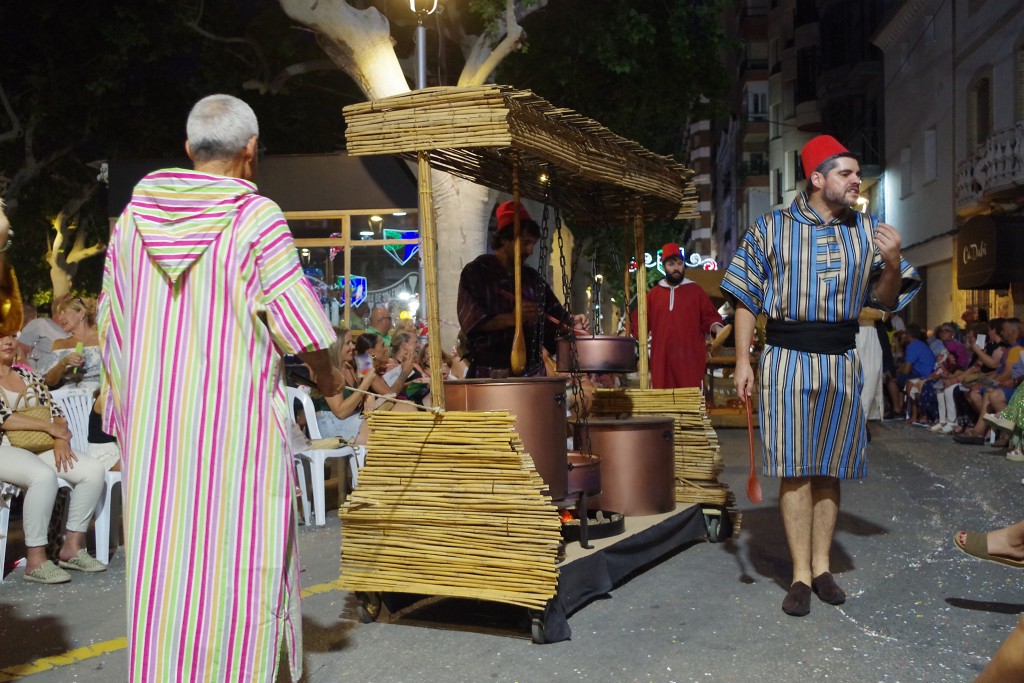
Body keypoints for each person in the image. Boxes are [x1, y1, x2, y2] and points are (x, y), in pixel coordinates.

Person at [97, 94, 340, 682]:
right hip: (238, 437)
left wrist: (125, 418)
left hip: (157, 440)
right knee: (242, 563)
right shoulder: (255, 217)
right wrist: (330, 379)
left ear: (188, 149)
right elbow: (303, 327)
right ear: (251, 150)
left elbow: (111, 326)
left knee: (167, 570)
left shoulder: (131, 224)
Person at [722, 134, 920, 617]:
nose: (856, 181)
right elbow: (745, 297)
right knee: (795, 468)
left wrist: (893, 262)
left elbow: (887, 300)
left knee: (831, 468)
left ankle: (822, 567)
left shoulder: (867, 230)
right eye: (845, 173)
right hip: (786, 357)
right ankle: (798, 575)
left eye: (856, 173)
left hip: (842, 359)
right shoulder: (771, 227)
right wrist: (743, 360)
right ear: (816, 178)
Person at [0, 328, 107, 583]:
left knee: (93, 470)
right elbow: (5, 418)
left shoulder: (25, 373)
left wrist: (60, 439)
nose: (7, 341)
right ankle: (35, 559)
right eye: (0, 338)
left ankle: (72, 547)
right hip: (5, 448)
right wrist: (50, 429)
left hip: (39, 445)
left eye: (10, 337)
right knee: (42, 475)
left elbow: (54, 409)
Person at [457, 200, 588, 378]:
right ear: (505, 239)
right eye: (525, 243)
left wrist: (571, 323)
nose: (530, 250)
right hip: (489, 374)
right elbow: (472, 322)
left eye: (533, 244)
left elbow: (554, 318)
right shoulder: (477, 272)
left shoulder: (533, 279)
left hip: (532, 373)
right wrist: (512, 318)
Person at [644, 243, 724, 389]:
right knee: (662, 399)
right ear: (663, 266)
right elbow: (640, 323)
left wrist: (718, 329)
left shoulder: (696, 292)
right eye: (671, 264)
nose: (676, 268)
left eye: (679, 263)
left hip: (689, 363)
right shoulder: (653, 295)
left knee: (691, 398)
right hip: (662, 362)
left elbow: (710, 317)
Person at [43, 296, 101, 388]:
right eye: (59, 314)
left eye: (64, 312)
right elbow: (49, 381)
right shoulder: (59, 344)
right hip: (67, 395)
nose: (59, 318)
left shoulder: (105, 339)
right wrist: (63, 363)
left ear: (81, 313)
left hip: (101, 393)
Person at [18, 298, 70, 372]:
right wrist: (32, 375)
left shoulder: (73, 332)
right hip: (40, 376)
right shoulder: (39, 324)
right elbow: (20, 353)